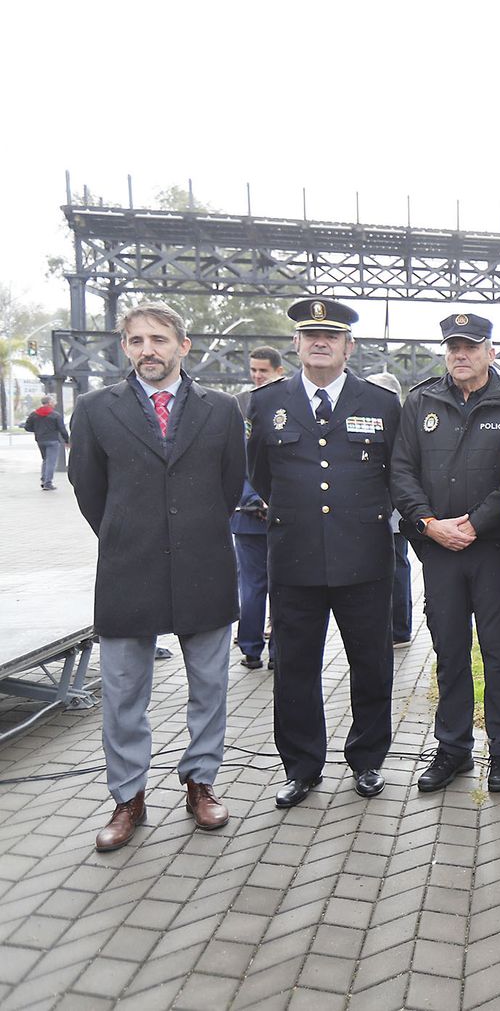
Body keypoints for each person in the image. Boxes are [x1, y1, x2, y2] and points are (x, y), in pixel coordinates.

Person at [67, 301, 245, 850]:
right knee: (123, 693)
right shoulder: (95, 409)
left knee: (210, 687)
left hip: (204, 564)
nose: (148, 350)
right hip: (128, 567)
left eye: (160, 339)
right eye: (137, 340)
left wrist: (194, 528)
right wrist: (124, 531)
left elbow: (231, 485)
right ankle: (128, 798)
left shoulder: (222, 410)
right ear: (125, 347)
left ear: (183, 346)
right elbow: (88, 487)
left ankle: (201, 782)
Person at [247, 299, 402, 808]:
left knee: (371, 664)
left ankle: (368, 760)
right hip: (294, 557)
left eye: (331, 336)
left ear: (348, 346)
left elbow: (395, 475)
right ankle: (301, 767)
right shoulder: (265, 402)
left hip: (364, 557)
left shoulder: (381, 403)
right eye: (311, 334)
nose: (320, 342)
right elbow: (260, 474)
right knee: (294, 667)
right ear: (296, 343)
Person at [391, 313, 500, 795]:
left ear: (491, 352)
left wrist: (474, 523)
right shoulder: (421, 401)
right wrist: (429, 524)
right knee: (449, 652)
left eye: (470, 346)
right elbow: (401, 470)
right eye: (453, 347)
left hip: (495, 550)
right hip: (440, 549)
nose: (461, 355)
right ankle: (453, 749)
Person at [234, 346, 285, 669]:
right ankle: (252, 649)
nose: (256, 376)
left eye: (262, 371)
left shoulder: (244, 405)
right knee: (255, 587)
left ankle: (271, 651)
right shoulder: (240, 404)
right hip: (254, 517)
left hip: (275, 515)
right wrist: (256, 500)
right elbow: (233, 461)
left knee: (278, 586)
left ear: (279, 370)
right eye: (253, 370)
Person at [367, 370, 414, 645]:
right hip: (374, 510)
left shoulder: (399, 422)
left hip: (394, 511)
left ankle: (399, 628)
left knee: (397, 567)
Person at [24, 394, 69, 490]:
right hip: (53, 440)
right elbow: (62, 429)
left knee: (45, 460)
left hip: (40, 440)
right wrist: (67, 440)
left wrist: (37, 430)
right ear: (49, 403)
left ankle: (44, 479)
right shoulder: (55, 415)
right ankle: (48, 483)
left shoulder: (34, 414)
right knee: (51, 462)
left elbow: (27, 427)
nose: (55, 403)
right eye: (54, 402)